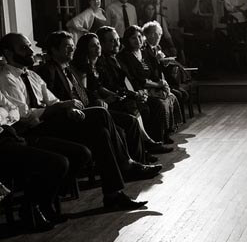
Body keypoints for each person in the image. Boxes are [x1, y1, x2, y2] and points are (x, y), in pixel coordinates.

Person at [0, 33, 148, 210]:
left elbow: (53, 100)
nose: (31, 51)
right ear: (8, 53)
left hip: (52, 122)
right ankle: (126, 164)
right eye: (24, 48)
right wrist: (62, 107)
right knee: (100, 114)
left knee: (101, 132)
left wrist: (68, 108)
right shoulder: (6, 78)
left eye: (29, 46)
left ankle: (112, 194)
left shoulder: (31, 75)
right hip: (33, 130)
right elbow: (25, 116)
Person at [1, 90, 91, 231]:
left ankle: (44, 202)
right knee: (58, 162)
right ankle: (31, 207)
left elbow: (14, 110)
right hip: (5, 144)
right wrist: (4, 115)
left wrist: (5, 117)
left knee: (78, 154)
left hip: (13, 135)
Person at [118, 25, 181, 144]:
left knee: (171, 97)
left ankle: (166, 132)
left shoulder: (144, 53)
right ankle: (157, 138)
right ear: (127, 40)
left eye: (139, 36)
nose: (138, 40)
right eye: (133, 38)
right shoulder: (126, 56)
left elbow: (154, 72)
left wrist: (162, 83)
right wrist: (157, 85)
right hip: (141, 88)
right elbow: (138, 79)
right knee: (159, 104)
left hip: (153, 85)